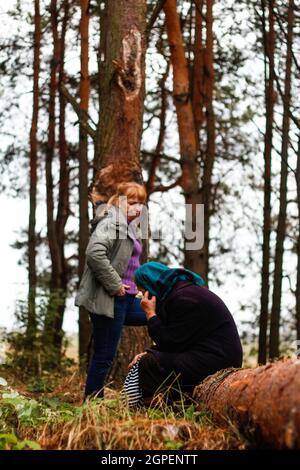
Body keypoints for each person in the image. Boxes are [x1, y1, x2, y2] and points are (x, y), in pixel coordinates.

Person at [122, 262, 243, 407]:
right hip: (210, 355)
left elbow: (171, 342)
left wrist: (150, 314)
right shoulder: (180, 293)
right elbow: (180, 339)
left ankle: (154, 408)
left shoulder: (184, 298)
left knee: (149, 364)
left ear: (151, 287)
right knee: (150, 360)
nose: (142, 298)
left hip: (219, 361)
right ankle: (169, 404)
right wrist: (149, 351)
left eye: (143, 291)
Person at [75, 182, 148, 399]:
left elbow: (127, 263)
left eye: (141, 204)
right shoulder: (111, 223)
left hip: (127, 298)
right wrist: (115, 285)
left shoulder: (128, 225)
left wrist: (136, 290)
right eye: (132, 203)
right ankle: (92, 405)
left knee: (159, 312)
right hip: (110, 299)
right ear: (120, 202)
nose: (138, 208)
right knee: (104, 356)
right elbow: (94, 254)